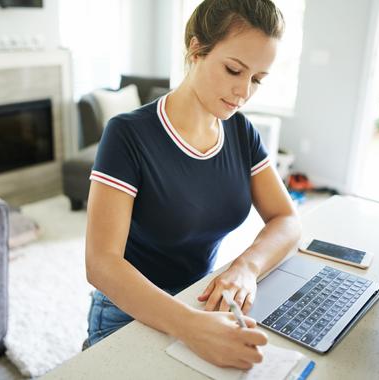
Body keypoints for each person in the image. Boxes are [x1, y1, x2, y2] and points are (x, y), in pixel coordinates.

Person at [84, 0, 301, 370]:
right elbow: (101, 263)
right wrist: (191, 327)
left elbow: (287, 219)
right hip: (129, 312)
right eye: (234, 69)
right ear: (196, 48)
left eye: (257, 79)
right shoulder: (128, 135)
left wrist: (247, 266)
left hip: (199, 299)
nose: (244, 92)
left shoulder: (239, 130)